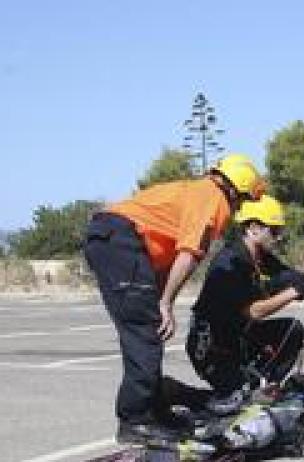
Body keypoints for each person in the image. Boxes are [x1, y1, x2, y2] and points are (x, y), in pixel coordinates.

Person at [83, 153, 265, 444]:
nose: (239, 209)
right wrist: (166, 303)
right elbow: (189, 254)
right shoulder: (214, 200)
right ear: (235, 190)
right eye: (242, 201)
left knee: (147, 330)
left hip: (116, 240)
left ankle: (155, 411)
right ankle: (134, 420)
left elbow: (164, 258)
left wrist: (158, 298)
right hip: (120, 241)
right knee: (144, 335)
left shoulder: (197, 191)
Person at [187, 194, 304, 416]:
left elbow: (291, 277)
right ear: (254, 228)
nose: (279, 237)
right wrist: (294, 292)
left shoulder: (262, 258)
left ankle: (265, 386)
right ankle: (178, 393)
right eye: (274, 231)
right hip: (211, 348)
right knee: (237, 401)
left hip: (239, 338)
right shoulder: (230, 262)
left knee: (292, 330)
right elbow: (254, 312)